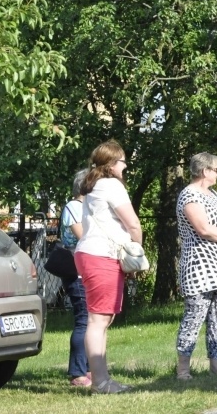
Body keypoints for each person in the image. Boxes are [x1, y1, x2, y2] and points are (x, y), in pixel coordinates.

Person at [74, 140, 143, 394]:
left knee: (102, 318)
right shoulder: (112, 185)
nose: (125, 166)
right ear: (113, 164)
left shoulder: (93, 186)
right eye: (123, 161)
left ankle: (102, 379)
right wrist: (137, 253)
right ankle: (100, 383)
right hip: (101, 255)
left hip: (92, 254)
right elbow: (133, 224)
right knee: (98, 320)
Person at [175, 152, 217, 380]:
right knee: (193, 318)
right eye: (215, 169)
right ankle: (183, 369)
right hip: (200, 268)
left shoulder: (214, 195)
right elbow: (203, 229)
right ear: (205, 171)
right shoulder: (189, 195)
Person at [60, 169, 90, 387]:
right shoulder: (73, 207)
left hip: (87, 271)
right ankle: (77, 373)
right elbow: (84, 237)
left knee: (91, 322)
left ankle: (88, 368)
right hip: (76, 273)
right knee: (83, 320)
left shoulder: (87, 209)